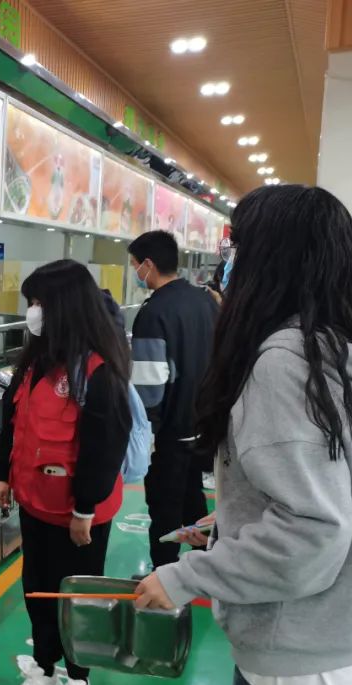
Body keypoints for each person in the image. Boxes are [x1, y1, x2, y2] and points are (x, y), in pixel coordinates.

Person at [135, 186, 352, 685]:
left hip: (296, 655)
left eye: (237, 247)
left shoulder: (285, 364)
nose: (228, 263)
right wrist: (235, 519)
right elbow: (350, 492)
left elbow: (313, 532)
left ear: (271, 258)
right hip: (343, 640)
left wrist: (185, 577)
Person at [0, 260, 131, 685]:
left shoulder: (98, 370)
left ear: (64, 306)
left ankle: (79, 681)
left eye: (39, 303)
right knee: (38, 588)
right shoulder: (35, 362)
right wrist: (3, 473)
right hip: (35, 501)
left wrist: (85, 508)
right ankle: (46, 670)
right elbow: (13, 419)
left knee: (78, 595)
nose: (33, 312)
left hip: (79, 513)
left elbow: (105, 446)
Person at [128, 230, 218, 570]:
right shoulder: (205, 302)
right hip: (203, 426)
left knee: (164, 506)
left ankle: (164, 573)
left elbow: (150, 382)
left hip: (170, 432)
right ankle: (203, 568)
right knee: (193, 498)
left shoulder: (155, 312)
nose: (135, 272)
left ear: (148, 265)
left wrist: (146, 432)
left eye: (135, 265)